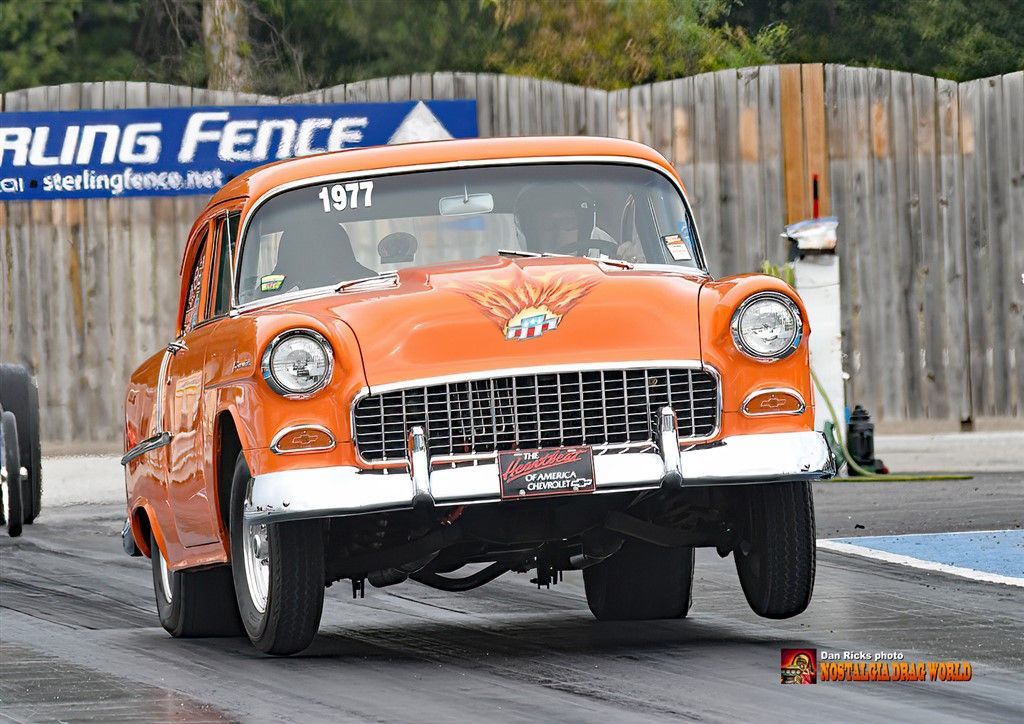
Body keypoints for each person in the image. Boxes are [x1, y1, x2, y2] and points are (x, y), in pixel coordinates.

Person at [512, 182, 616, 256]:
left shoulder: (604, 253)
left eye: (568, 224)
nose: (559, 234)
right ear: (531, 233)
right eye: (548, 225)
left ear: (584, 228)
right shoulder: (510, 268)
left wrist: (627, 254)